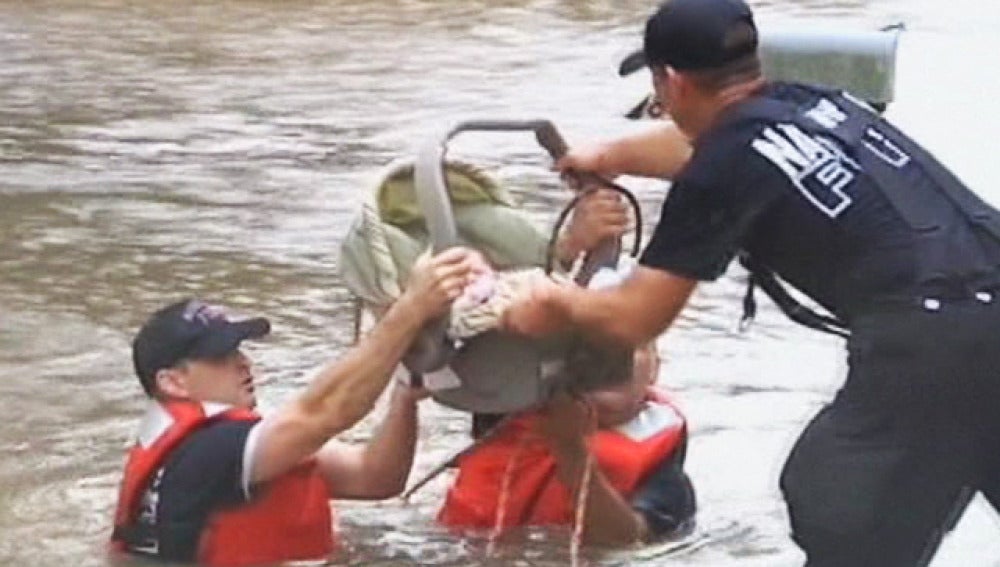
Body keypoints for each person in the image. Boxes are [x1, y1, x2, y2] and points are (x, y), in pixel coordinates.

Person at [502, 0, 1000, 565]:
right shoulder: (807, 101)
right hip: (984, 304)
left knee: (836, 503)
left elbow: (634, 319)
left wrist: (549, 301)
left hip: (935, 338)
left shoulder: (719, 170)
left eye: (658, 92)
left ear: (672, 82)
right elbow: (702, 144)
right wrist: (607, 155)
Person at [110, 248, 483, 566]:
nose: (243, 363)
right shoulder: (213, 450)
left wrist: (404, 396)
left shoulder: (203, 445)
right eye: (220, 355)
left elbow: (375, 477)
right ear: (172, 381)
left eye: (239, 350)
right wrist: (411, 309)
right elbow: (328, 410)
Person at [438, 343, 695, 546]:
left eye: (630, 346)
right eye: (596, 350)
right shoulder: (505, 412)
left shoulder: (666, 476)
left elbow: (626, 541)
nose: (615, 361)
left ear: (655, 369)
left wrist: (571, 450)